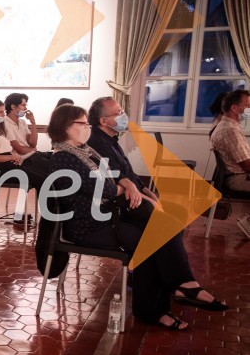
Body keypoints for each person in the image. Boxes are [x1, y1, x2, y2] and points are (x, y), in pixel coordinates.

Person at [47, 105, 227, 330]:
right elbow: (106, 190)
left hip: (107, 216)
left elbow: (114, 174)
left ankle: (175, 290)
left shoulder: (84, 150)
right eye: (82, 124)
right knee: (151, 240)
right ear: (65, 127)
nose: (87, 128)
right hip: (88, 226)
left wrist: (128, 183)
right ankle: (164, 301)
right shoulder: (64, 157)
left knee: (164, 227)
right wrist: (125, 187)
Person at [87, 96, 225, 309]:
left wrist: (144, 189)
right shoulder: (96, 140)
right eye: (118, 113)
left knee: (176, 212)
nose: (124, 116)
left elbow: (128, 172)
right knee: (165, 223)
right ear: (104, 121)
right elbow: (111, 177)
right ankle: (183, 283)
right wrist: (135, 190)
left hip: (132, 195)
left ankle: (163, 276)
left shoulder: (111, 139)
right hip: (118, 202)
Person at [0, 99, 48, 223]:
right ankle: (48, 216)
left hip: (10, 164)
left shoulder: (0, 129)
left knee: (43, 174)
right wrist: (11, 157)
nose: (3, 115)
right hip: (0, 169)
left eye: (3, 112)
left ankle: (47, 213)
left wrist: (15, 158)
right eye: (0, 112)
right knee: (41, 179)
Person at [210, 89, 250, 237]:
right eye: (248, 105)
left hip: (237, 174)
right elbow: (246, 165)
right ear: (234, 108)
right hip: (237, 178)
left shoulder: (228, 126)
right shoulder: (230, 130)